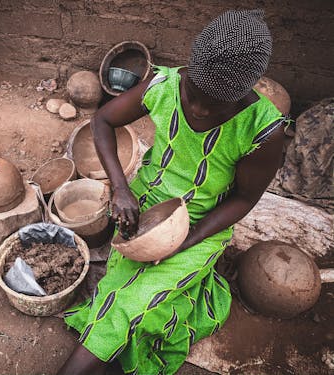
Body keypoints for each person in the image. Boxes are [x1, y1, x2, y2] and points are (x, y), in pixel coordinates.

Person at [58, 9, 286, 375]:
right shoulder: (163, 84)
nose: (195, 108)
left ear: (243, 94)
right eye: (192, 93)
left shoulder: (263, 131)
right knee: (125, 289)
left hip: (202, 226)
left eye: (212, 104)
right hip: (145, 209)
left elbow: (244, 199)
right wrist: (120, 188)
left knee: (132, 304)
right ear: (189, 72)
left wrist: (186, 239)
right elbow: (101, 120)